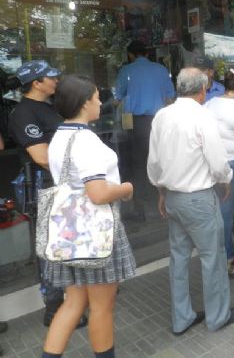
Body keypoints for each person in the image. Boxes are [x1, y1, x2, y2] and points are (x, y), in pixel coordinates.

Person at [41, 74, 137, 358]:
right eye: (96, 97)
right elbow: (97, 193)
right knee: (101, 308)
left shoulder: (59, 137)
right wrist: (127, 188)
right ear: (85, 103)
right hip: (97, 232)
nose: (100, 103)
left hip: (69, 233)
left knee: (72, 304)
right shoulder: (87, 141)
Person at [147, 68, 234, 335]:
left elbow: (153, 161)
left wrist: (161, 192)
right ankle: (217, 317)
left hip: (173, 197)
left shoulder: (162, 116)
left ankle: (182, 318)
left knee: (178, 258)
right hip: (199, 198)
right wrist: (226, 180)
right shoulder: (203, 116)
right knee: (212, 257)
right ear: (202, 90)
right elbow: (217, 160)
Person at [7, 61, 88, 329]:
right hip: (44, 186)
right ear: (36, 83)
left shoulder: (50, 107)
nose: (56, 81)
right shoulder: (23, 113)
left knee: (67, 242)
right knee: (49, 248)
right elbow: (41, 157)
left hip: (63, 184)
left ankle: (74, 299)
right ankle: (54, 308)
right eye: (50, 77)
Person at [114, 40, 176, 221]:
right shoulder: (161, 70)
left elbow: (118, 98)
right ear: (148, 54)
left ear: (131, 55)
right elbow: (170, 98)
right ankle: (164, 201)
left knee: (137, 164)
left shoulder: (126, 71)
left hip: (135, 122)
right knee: (161, 159)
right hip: (159, 120)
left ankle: (140, 207)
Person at [204, 69, 234, 279]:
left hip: (208, 165)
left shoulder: (209, 104)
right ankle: (228, 258)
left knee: (214, 213)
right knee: (226, 215)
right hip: (232, 164)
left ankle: (215, 254)